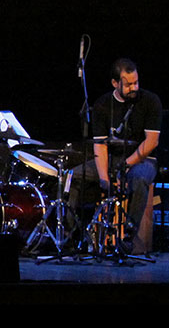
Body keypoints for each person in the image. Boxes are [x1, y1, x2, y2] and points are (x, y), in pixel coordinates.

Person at [67, 58, 160, 252]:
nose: (134, 87)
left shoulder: (150, 101)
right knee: (73, 177)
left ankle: (127, 237)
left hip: (141, 159)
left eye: (136, 82)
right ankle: (72, 235)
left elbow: (151, 142)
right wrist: (103, 178)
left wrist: (125, 166)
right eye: (128, 84)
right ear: (115, 83)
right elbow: (100, 146)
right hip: (110, 160)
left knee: (139, 179)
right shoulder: (102, 105)